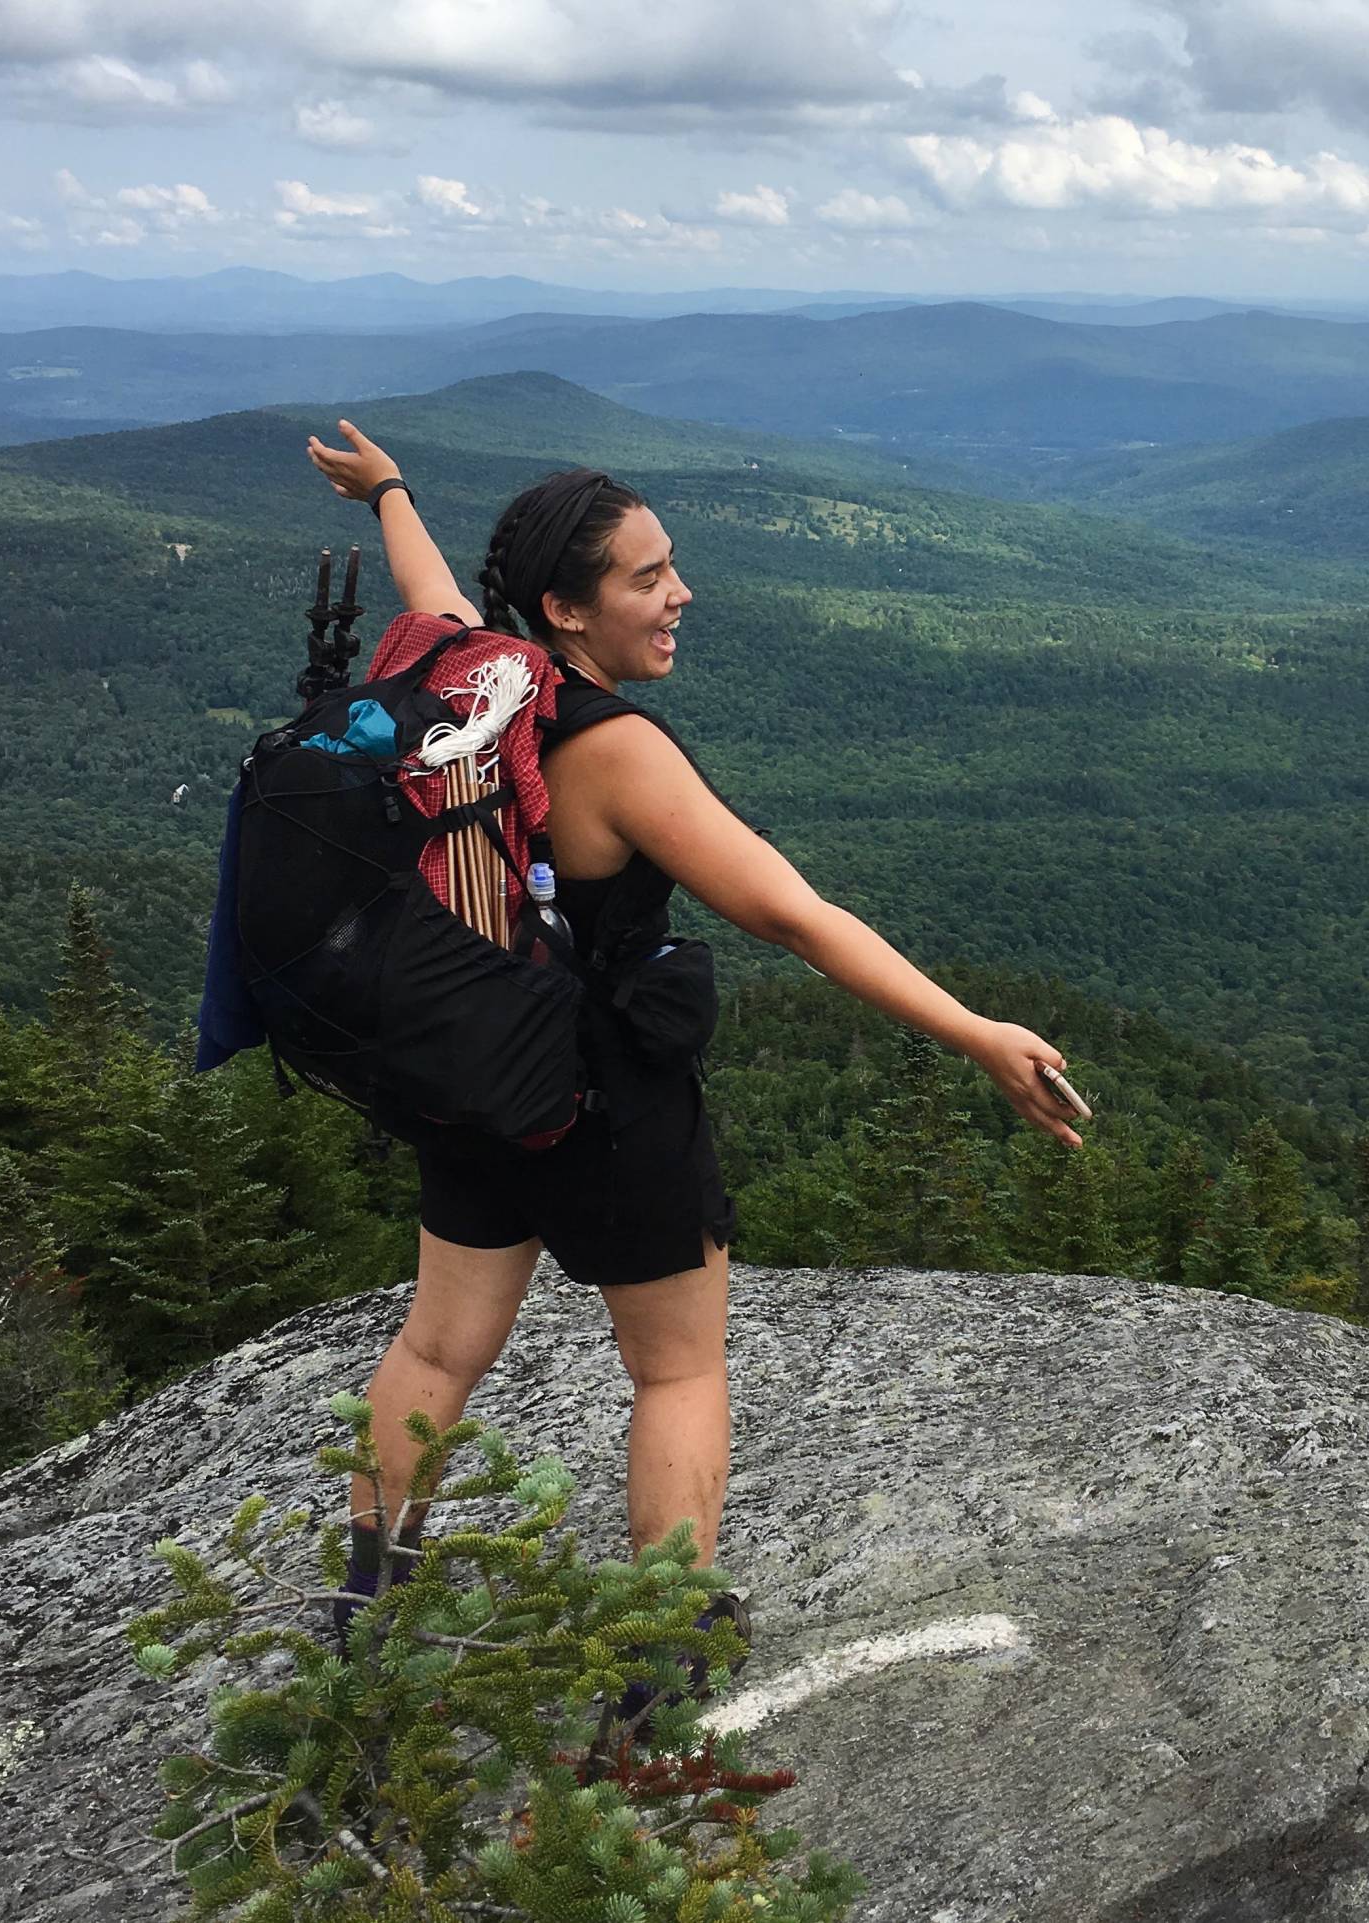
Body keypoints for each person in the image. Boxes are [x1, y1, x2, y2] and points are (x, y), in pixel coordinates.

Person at [304, 420, 1084, 1682]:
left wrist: (388, 489)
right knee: (675, 1373)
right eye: (649, 576)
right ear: (567, 608)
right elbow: (793, 915)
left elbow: (429, 594)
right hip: (607, 1103)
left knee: (438, 1350)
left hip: (472, 1079)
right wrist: (976, 1033)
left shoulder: (463, 682)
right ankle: (660, 1658)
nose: (681, 594)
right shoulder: (615, 752)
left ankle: (366, 1612)